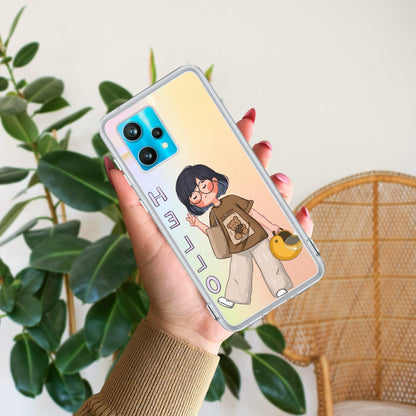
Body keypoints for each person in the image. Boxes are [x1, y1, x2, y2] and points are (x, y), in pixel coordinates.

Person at [76, 108, 313, 416]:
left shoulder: (233, 199)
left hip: (256, 237)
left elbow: (255, 212)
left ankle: (279, 285)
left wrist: (274, 227)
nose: (201, 192)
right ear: (192, 203)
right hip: (236, 248)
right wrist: (185, 330)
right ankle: (236, 297)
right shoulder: (211, 216)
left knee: (269, 262)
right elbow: (213, 234)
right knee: (239, 271)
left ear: (215, 180)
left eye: (203, 185)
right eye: (195, 195)